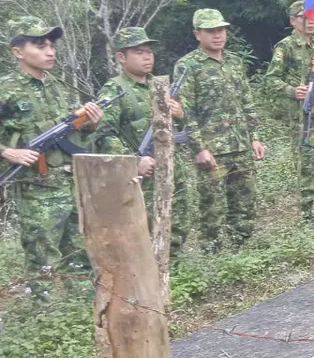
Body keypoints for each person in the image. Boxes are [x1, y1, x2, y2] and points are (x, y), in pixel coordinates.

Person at [0, 16, 104, 295]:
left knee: (79, 251)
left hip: (70, 182)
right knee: (41, 257)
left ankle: (82, 307)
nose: (50, 51)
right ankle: (42, 312)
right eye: (39, 45)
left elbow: (75, 136)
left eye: (51, 45)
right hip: (36, 188)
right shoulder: (6, 89)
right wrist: (7, 151)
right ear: (18, 51)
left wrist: (91, 123)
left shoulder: (59, 86)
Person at [175, 9, 266, 253]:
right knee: (212, 209)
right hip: (212, 151)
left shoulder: (234, 62)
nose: (218, 35)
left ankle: (241, 251)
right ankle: (212, 257)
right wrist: (199, 148)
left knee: (245, 204)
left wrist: (255, 137)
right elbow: (186, 112)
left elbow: (247, 101)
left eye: (221, 30)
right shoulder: (187, 66)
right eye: (211, 31)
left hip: (240, 145)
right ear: (197, 34)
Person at [95, 27, 192, 256]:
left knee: (179, 223)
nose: (147, 56)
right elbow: (103, 134)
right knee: (144, 230)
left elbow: (184, 127)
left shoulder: (159, 85)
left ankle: (172, 274)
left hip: (170, 167)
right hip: (140, 176)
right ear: (121, 57)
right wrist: (133, 161)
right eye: (139, 52)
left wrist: (180, 114)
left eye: (149, 51)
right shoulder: (115, 89)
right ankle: (148, 282)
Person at [261, 0, 314, 227]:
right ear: (293, 20)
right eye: (304, 17)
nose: (311, 21)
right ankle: (307, 217)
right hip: (302, 117)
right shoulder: (285, 47)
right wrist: (292, 91)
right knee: (308, 165)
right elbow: (270, 80)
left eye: (313, 16)